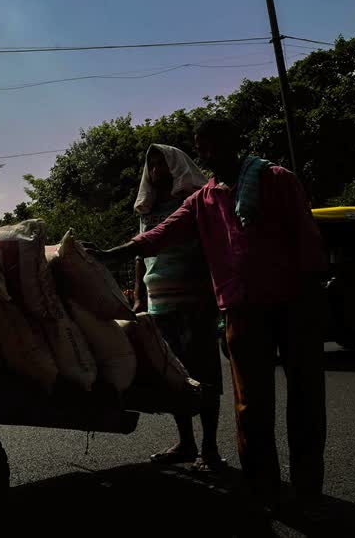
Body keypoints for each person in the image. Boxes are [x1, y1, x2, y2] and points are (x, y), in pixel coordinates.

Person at [95, 117, 327, 515]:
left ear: (236, 142)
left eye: (214, 144)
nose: (207, 153)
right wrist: (108, 253)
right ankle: (262, 484)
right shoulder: (203, 199)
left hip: (294, 305)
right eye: (202, 147)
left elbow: (307, 238)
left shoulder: (276, 179)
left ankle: (307, 491)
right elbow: (160, 235)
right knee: (250, 404)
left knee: (305, 399)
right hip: (241, 310)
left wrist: (313, 295)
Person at [132, 144, 224, 473]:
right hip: (160, 302)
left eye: (163, 164)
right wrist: (139, 296)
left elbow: (213, 248)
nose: (157, 171)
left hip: (194, 297)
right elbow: (141, 254)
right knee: (176, 375)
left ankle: (210, 448)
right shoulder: (149, 209)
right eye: (152, 166)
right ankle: (186, 442)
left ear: (176, 166)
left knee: (205, 374)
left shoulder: (196, 203)